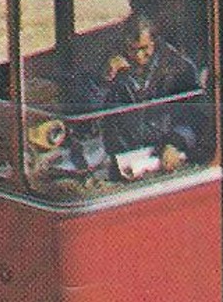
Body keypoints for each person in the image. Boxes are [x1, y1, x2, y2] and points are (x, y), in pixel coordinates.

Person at [66, 12, 205, 179]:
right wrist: (104, 80)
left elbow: (195, 115)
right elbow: (86, 118)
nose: (139, 56)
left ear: (155, 42)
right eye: (132, 50)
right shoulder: (105, 66)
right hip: (119, 161)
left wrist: (176, 143)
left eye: (144, 49)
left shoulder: (179, 68)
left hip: (164, 157)